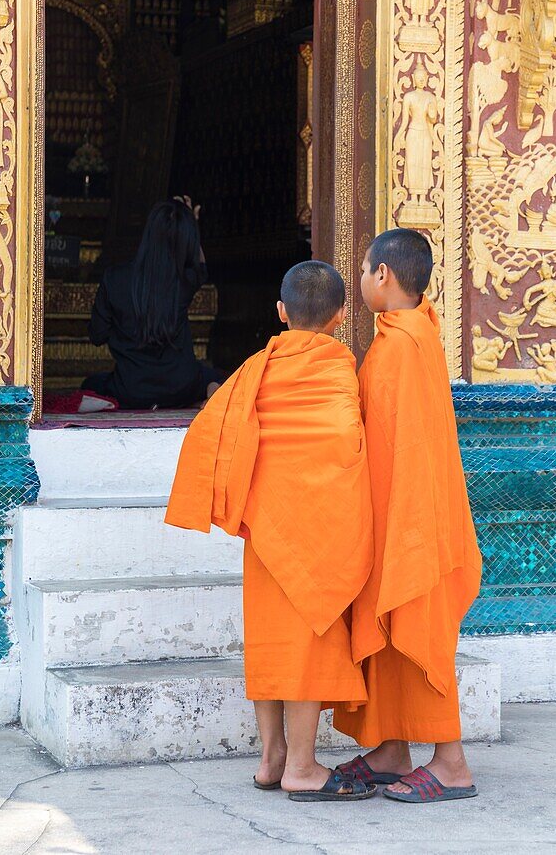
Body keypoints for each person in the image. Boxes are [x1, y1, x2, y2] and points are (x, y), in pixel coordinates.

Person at [164, 261, 376, 801]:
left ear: (280, 313)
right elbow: (348, 446)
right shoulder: (342, 371)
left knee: (269, 641)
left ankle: (271, 757)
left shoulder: (256, 369)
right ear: (342, 316)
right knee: (307, 640)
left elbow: (212, 430)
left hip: (268, 525)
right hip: (321, 527)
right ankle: (302, 767)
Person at [333, 229, 483, 804]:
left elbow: (400, 444)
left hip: (413, 520)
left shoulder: (400, 346)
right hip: (403, 513)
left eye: (367, 270)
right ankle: (393, 750)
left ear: (384, 277)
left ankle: (451, 763)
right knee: (394, 633)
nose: (365, 280)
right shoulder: (413, 333)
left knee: (420, 635)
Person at [82, 197, 223, 409]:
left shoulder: (114, 278)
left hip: (131, 390)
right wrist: (191, 224)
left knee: (90, 384)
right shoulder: (185, 280)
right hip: (181, 388)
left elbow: (97, 335)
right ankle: (208, 396)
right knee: (216, 377)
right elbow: (199, 262)